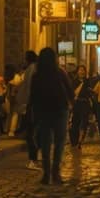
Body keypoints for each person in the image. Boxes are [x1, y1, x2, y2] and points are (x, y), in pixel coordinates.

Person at [30, 47, 73, 184]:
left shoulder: (37, 75)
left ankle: (46, 174)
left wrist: (34, 113)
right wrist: (71, 105)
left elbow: (33, 96)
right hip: (60, 110)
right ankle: (56, 173)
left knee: (45, 143)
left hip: (43, 111)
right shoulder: (60, 72)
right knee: (59, 142)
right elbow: (70, 90)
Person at [14, 50, 40, 169]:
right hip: (35, 105)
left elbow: (29, 87)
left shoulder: (31, 69)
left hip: (32, 105)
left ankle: (33, 159)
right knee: (33, 132)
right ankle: (35, 158)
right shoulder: (36, 68)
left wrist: (25, 104)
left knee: (31, 133)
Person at [70, 65, 95, 149]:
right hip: (77, 104)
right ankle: (74, 141)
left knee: (84, 123)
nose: (82, 72)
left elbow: (91, 93)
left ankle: (80, 141)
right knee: (75, 122)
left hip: (85, 104)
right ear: (77, 72)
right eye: (80, 70)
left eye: (83, 70)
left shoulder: (88, 81)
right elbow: (73, 93)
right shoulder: (74, 81)